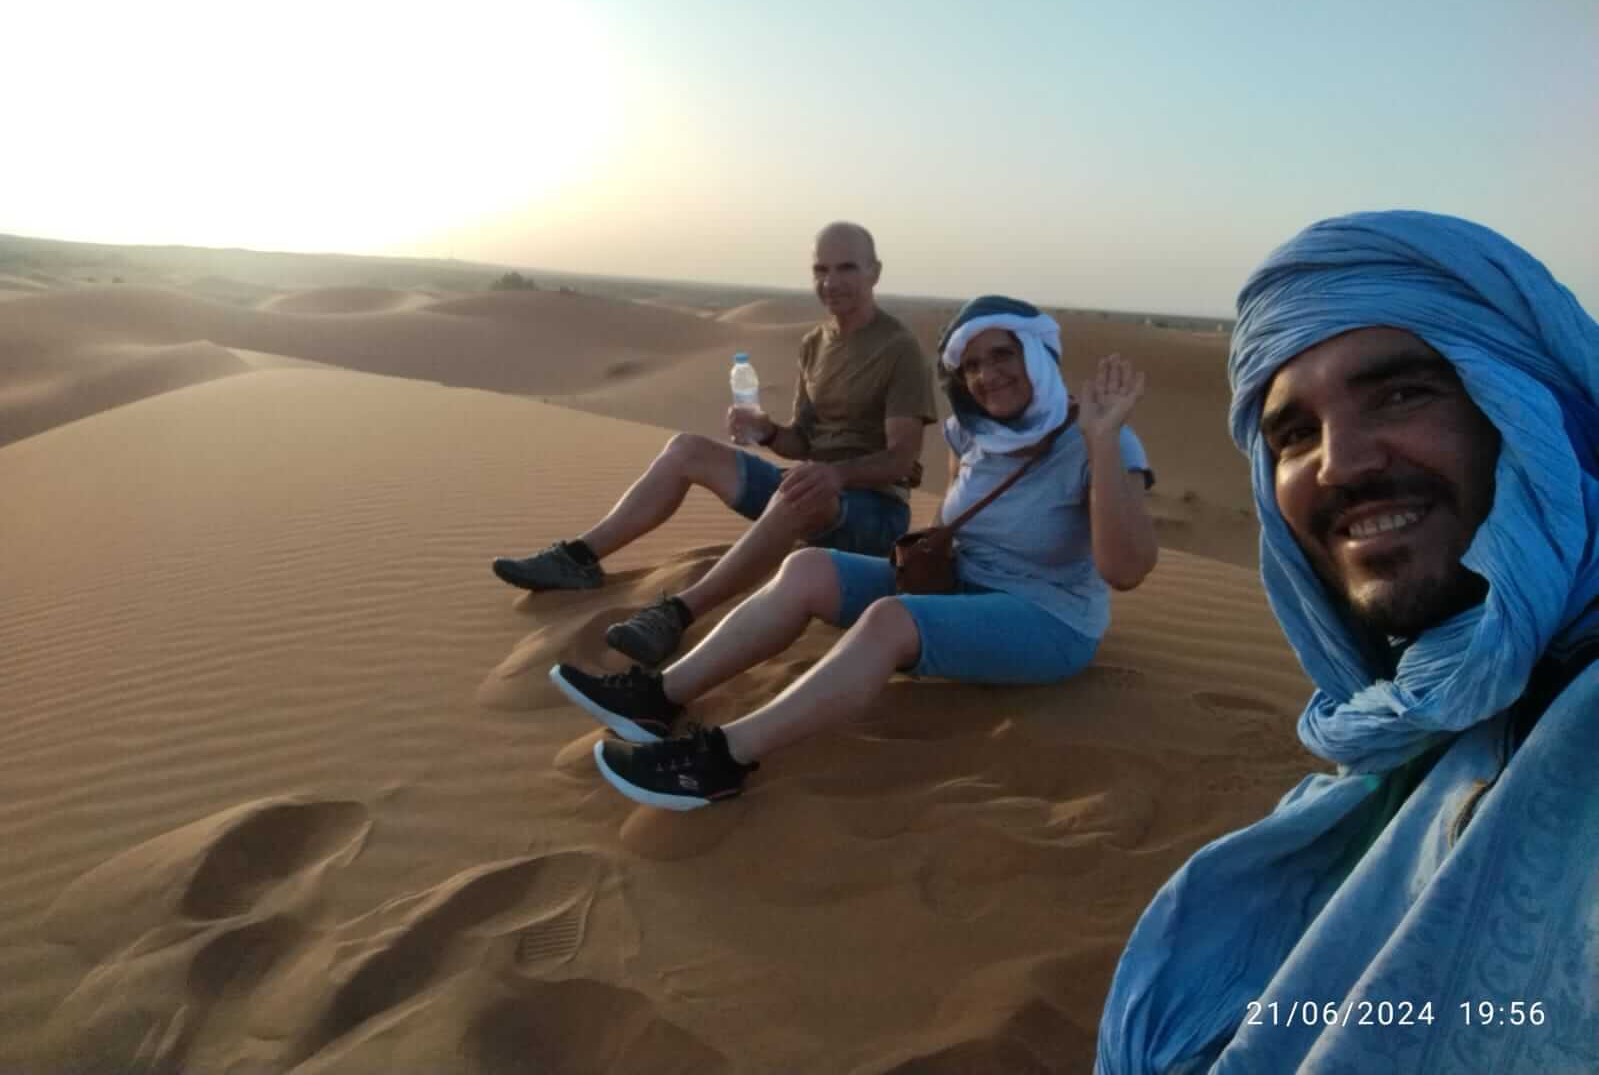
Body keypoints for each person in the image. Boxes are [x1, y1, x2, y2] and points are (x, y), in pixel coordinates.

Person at [1097, 211, 1599, 1075]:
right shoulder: (1422, 726)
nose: (1339, 462)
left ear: (1532, 408)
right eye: (1292, 434)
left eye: (1403, 393)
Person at [549, 294, 1158, 809]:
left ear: (1039, 354)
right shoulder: (972, 432)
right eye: (970, 363)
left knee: (888, 621)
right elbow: (955, 525)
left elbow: (1126, 570)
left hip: (1048, 618)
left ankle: (721, 759)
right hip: (961, 586)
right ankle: (659, 697)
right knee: (808, 567)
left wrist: (1101, 442)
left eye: (1003, 354)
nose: (987, 374)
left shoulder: (1104, 439)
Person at [492, 221, 936, 667]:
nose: (831, 282)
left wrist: (835, 474)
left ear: (874, 272)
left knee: (800, 491)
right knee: (687, 449)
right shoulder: (813, 345)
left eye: (846, 268)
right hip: (807, 490)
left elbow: (901, 458)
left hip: (874, 516)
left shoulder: (898, 349)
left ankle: (677, 614)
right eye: (820, 269)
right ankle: (580, 559)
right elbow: (803, 440)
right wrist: (768, 431)